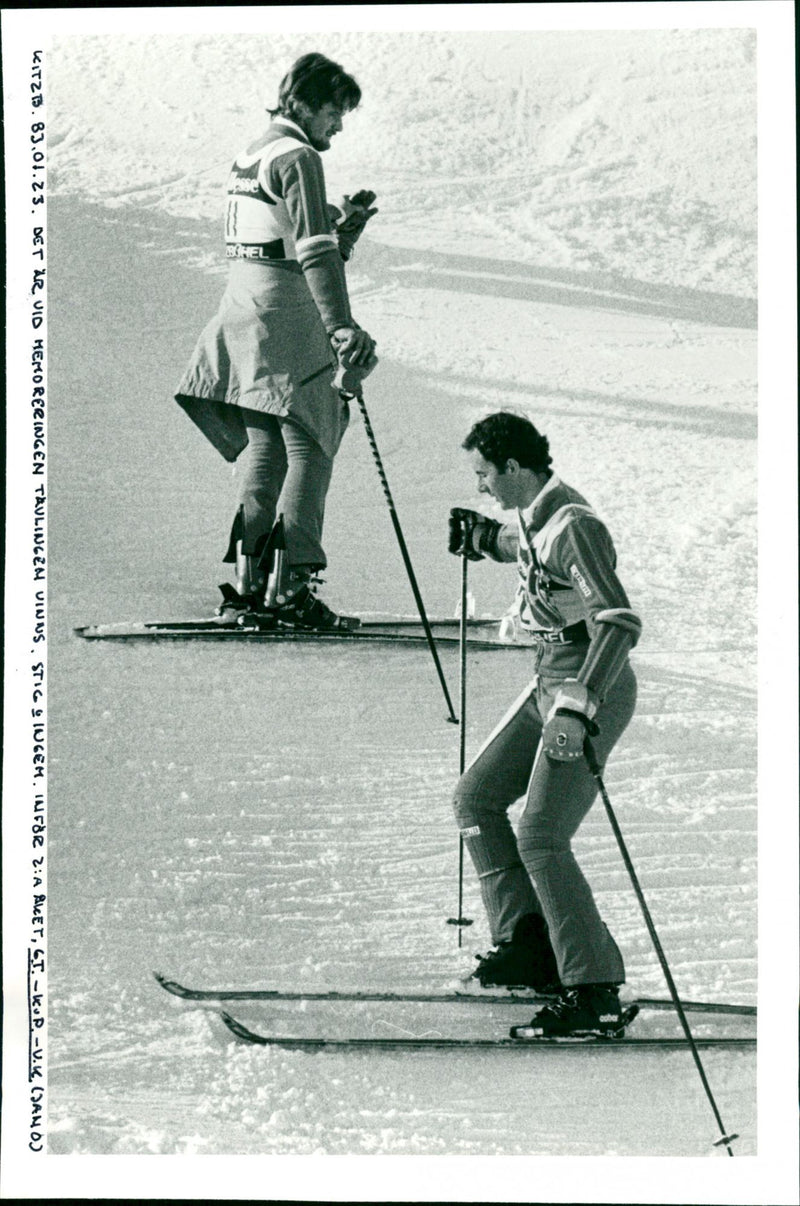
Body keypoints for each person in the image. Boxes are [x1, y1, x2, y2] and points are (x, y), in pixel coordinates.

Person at [448, 412, 642, 1038]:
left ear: (514, 467)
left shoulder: (574, 526)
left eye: (484, 476)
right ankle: (530, 944)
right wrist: (486, 538)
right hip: (549, 677)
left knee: (541, 836)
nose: (481, 487)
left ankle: (593, 988)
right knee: (475, 797)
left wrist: (579, 704)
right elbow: (528, 548)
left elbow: (617, 620)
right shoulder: (538, 515)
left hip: (589, 685)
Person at [174, 53, 378, 630]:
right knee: (313, 437)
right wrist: (340, 325)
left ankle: (247, 585)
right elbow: (312, 251)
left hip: (243, 306)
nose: (338, 125)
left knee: (267, 447)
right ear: (307, 104)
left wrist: (348, 231)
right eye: (335, 111)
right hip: (286, 314)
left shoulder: (252, 152)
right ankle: (290, 590)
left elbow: (276, 240)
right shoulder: (300, 157)